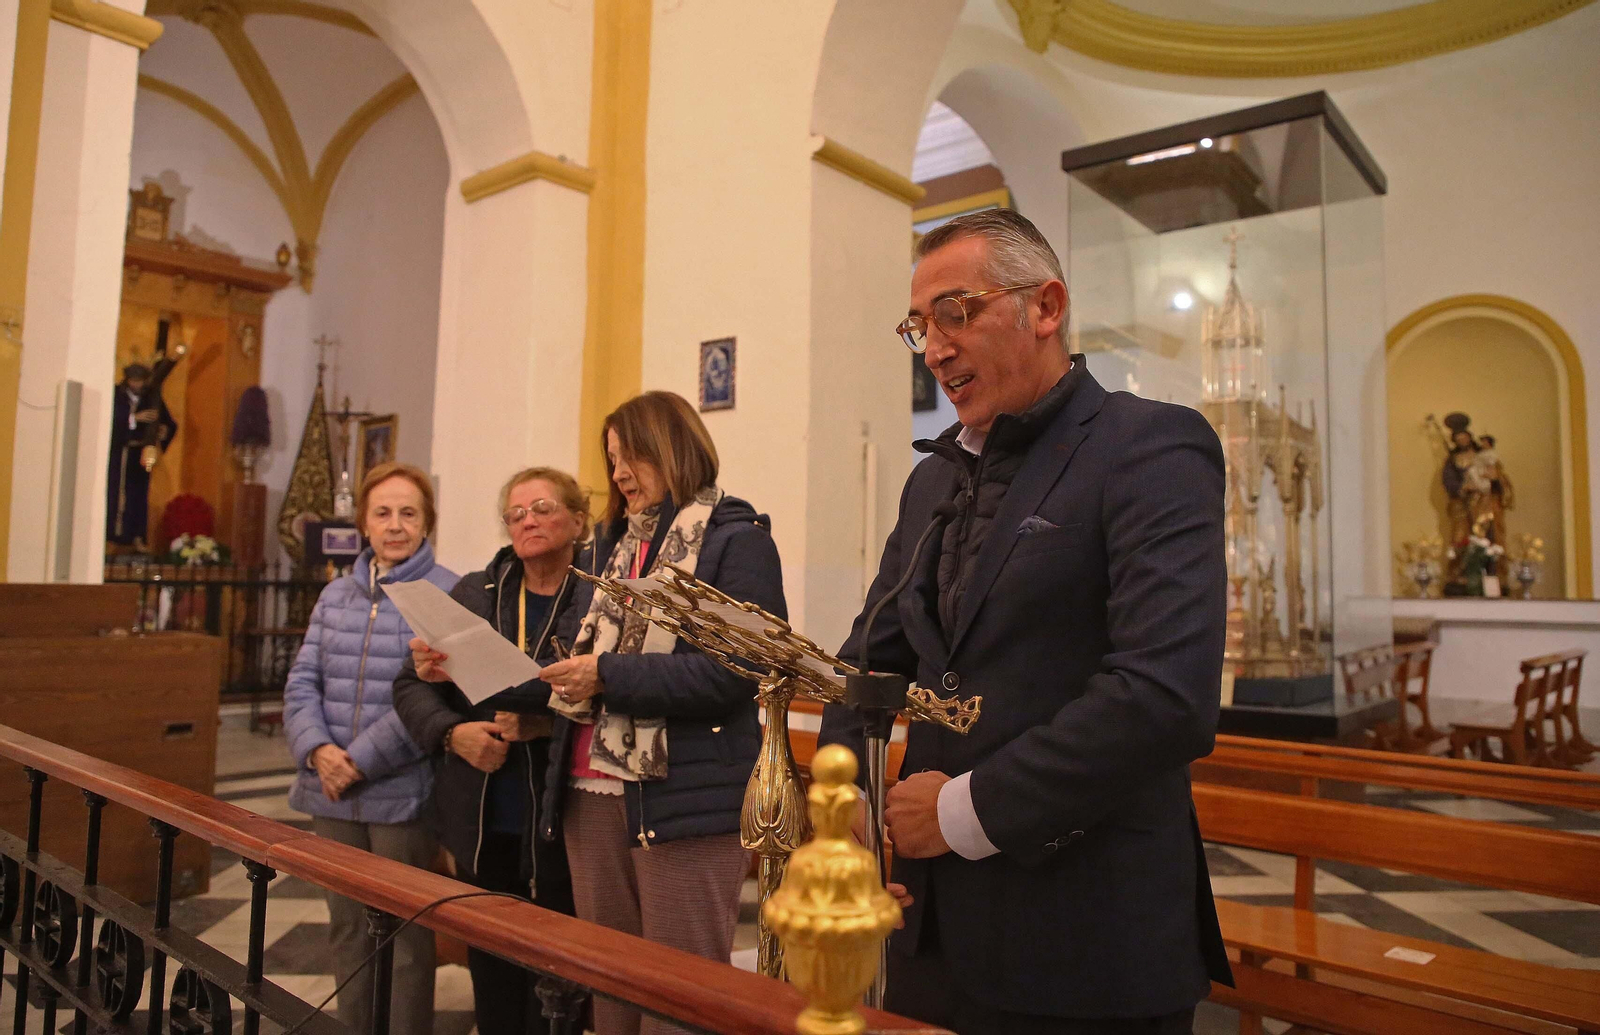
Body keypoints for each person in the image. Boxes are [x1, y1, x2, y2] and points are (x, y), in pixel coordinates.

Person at [819, 209, 1232, 1034]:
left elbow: (1163, 696)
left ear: (1045, 307)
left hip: (1086, 937)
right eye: (918, 325)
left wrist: (961, 812)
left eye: (955, 313)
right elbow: (869, 657)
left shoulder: (1149, 447)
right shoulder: (930, 482)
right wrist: (844, 803)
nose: (933, 349)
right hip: (930, 934)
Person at [538, 391, 785, 1035]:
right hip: (590, 790)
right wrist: (564, 664)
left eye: (631, 457)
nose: (618, 474)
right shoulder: (610, 547)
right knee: (610, 986)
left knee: (679, 994)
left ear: (673, 449)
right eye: (612, 460)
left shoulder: (737, 541)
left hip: (684, 796)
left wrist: (606, 673)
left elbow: (736, 670)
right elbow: (574, 637)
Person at [393, 466, 593, 1035]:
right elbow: (409, 686)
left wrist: (547, 726)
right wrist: (453, 733)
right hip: (482, 810)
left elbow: (617, 693)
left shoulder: (599, 596)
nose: (528, 520)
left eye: (544, 508)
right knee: (492, 960)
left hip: (564, 819)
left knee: (560, 967)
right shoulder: (476, 592)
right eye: (516, 513)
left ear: (578, 520)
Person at [282, 461, 457, 1035]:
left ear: (427, 522)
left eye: (409, 513)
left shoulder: (447, 593)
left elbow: (437, 699)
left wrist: (359, 760)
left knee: (405, 939)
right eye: (383, 513)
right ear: (363, 522)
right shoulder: (336, 595)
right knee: (347, 929)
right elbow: (303, 678)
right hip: (329, 791)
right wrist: (317, 750)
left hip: (402, 793)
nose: (396, 525)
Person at [106, 362, 177, 547]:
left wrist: (164, 431)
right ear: (127, 380)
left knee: (139, 495)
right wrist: (133, 418)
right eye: (134, 381)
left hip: (142, 453)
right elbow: (108, 419)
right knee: (118, 494)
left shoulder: (150, 396)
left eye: (140, 381)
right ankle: (114, 537)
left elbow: (169, 422)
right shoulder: (116, 394)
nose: (137, 385)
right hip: (121, 452)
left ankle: (137, 536)